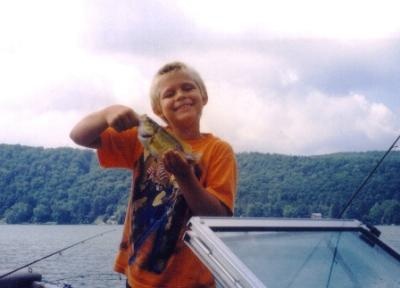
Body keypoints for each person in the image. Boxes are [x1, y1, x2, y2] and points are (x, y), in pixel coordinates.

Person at [70, 61, 237, 287]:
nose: (180, 95)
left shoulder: (219, 150)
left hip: (192, 282)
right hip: (139, 279)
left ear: (203, 96)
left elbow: (217, 218)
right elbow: (79, 136)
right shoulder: (139, 140)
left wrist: (185, 177)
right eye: (169, 93)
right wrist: (106, 113)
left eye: (188, 88)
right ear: (158, 109)